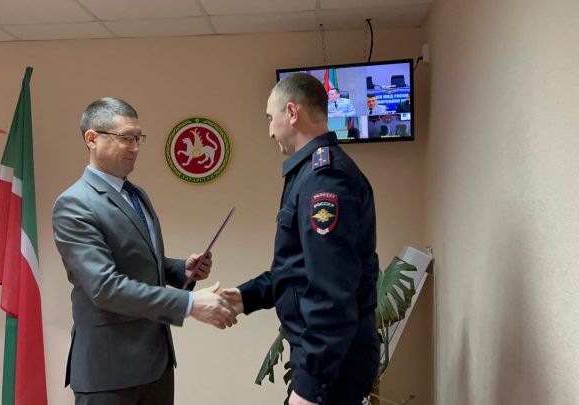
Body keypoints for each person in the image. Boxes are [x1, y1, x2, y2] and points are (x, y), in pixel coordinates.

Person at [52, 97, 238, 405]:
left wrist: (181, 270)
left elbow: (142, 263)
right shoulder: (75, 204)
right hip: (108, 372)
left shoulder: (135, 194)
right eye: (126, 138)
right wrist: (190, 303)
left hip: (155, 363)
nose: (135, 147)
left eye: (138, 138)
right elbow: (105, 287)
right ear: (92, 139)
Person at [221, 73, 380, 405]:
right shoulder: (310, 173)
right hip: (327, 358)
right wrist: (245, 297)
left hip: (333, 366)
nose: (270, 131)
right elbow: (299, 270)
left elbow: (331, 291)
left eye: (270, 118)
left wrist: (310, 386)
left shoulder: (325, 179)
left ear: (292, 112)